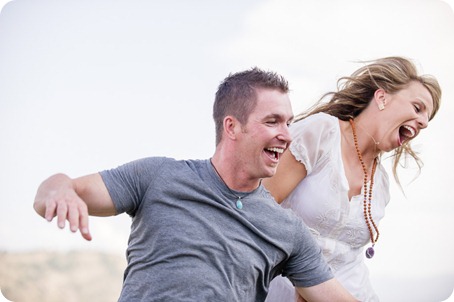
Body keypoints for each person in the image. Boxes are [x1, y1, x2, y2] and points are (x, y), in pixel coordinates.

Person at [33, 67, 357, 302]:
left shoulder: (287, 230)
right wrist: (59, 188)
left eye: (289, 123)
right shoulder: (158, 177)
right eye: (272, 121)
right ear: (232, 127)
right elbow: (57, 191)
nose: (286, 135)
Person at [264, 57, 442, 302]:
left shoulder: (381, 185)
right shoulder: (322, 134)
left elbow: (351, 260)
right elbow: (260, 211)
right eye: (417, 108)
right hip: (285, 287)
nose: (423, 122)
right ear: (382, 98)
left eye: (426, 120)